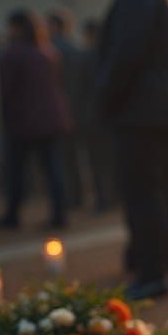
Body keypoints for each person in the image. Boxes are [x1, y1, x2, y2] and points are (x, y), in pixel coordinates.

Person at [96, 0, 168, 300]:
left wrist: (105, 98)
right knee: (159, 188)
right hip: (158, 107)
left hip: (138, 109)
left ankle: (151, 274)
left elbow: (126, 56)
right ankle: (163, 258)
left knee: (142, 192)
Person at [0, 9, 72, 230]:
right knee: (53, 170)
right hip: (52, 118)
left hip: (25, 121)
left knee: (17, 171)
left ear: (16, 28)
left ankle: (12, 214)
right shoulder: (48, 52)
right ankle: (60, 213)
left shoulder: (13, 54)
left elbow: (6, 89)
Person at [46, 8, 85, 211]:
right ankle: (78, 194)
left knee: (66, 157)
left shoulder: (55, 50)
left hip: (64, 109)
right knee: (74, 157)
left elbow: (64, 85)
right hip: (77, 108)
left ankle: (73, 196)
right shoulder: (76, 47)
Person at [76, 18, 116, 213]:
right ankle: (115, 196)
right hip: (112, 115)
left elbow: (79, 88)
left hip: (93, 115)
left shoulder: (85, 57)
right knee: (112, 158)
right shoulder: (113, 53)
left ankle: (102, 198)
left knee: (97, 162)